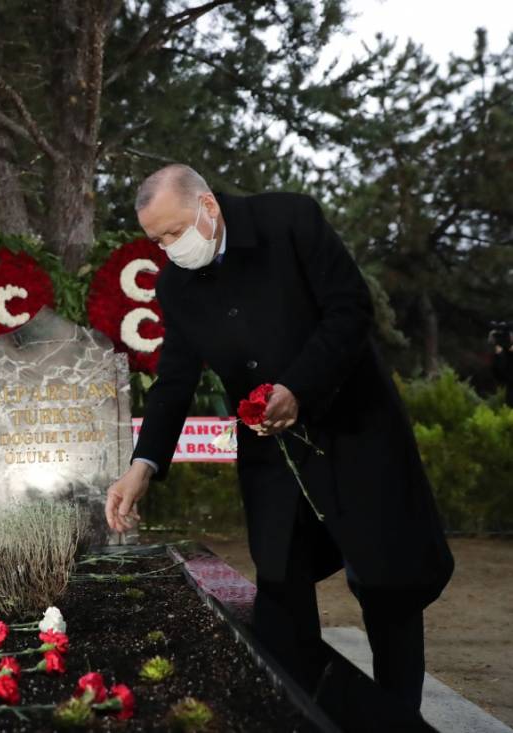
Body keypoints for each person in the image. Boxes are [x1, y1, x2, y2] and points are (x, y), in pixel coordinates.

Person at [105, 164, 454, 713]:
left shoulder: (290, 219)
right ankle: (298, 713)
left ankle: (399, 716)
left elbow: (349, 309)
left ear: (209, 208)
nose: (170, 248)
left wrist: (299, 387)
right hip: (273, 457)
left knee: (385, 589)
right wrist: (142, 465)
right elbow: (175, 379)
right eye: (157, 240)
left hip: (355, 436)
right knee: (280, 591)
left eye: (174, 232)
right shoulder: (175, 284)